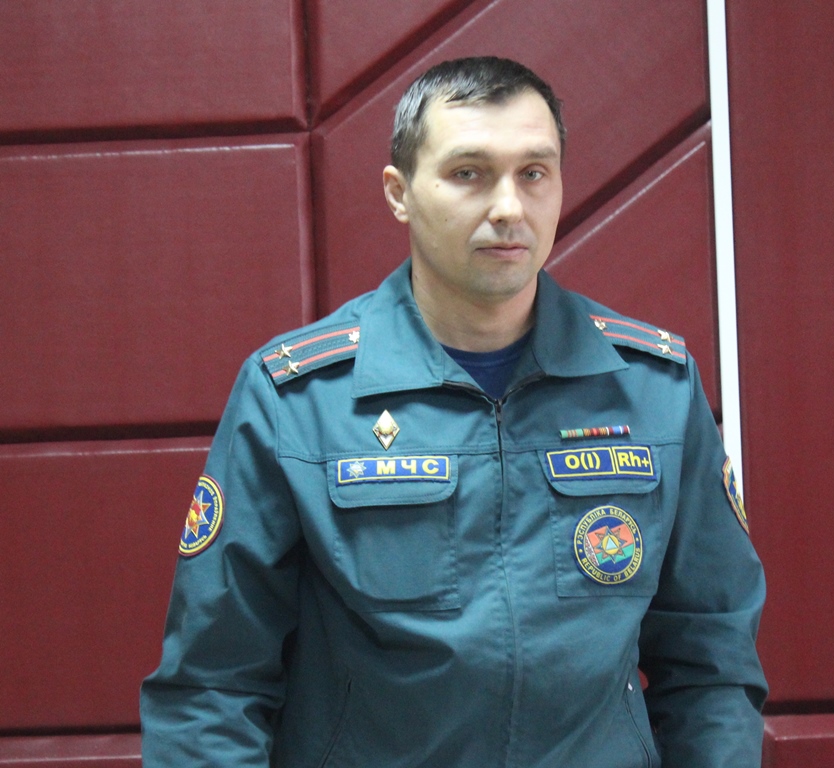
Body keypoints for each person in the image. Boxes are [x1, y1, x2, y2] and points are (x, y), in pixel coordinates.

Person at [141, 56, 767, 766]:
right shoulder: (298, 399)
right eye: (469, 173)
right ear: (399, 193)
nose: (509, 208)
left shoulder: (653, 388)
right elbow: (212, 687)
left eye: (534, 173)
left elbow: (713, 662)